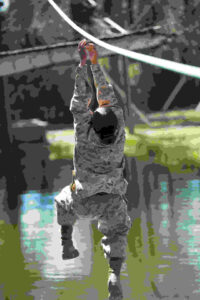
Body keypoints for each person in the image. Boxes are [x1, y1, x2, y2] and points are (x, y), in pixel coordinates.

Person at [55, 39, 131, 300]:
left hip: (82, 201)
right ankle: (114, 274)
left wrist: (84, 64)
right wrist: (96, 64)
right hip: (111, 200)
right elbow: (106, 95)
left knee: (61, 201)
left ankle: (67, 244)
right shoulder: (119, 134)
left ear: (91, 123)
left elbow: (80, 99)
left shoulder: (83, 133)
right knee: (117, 230)